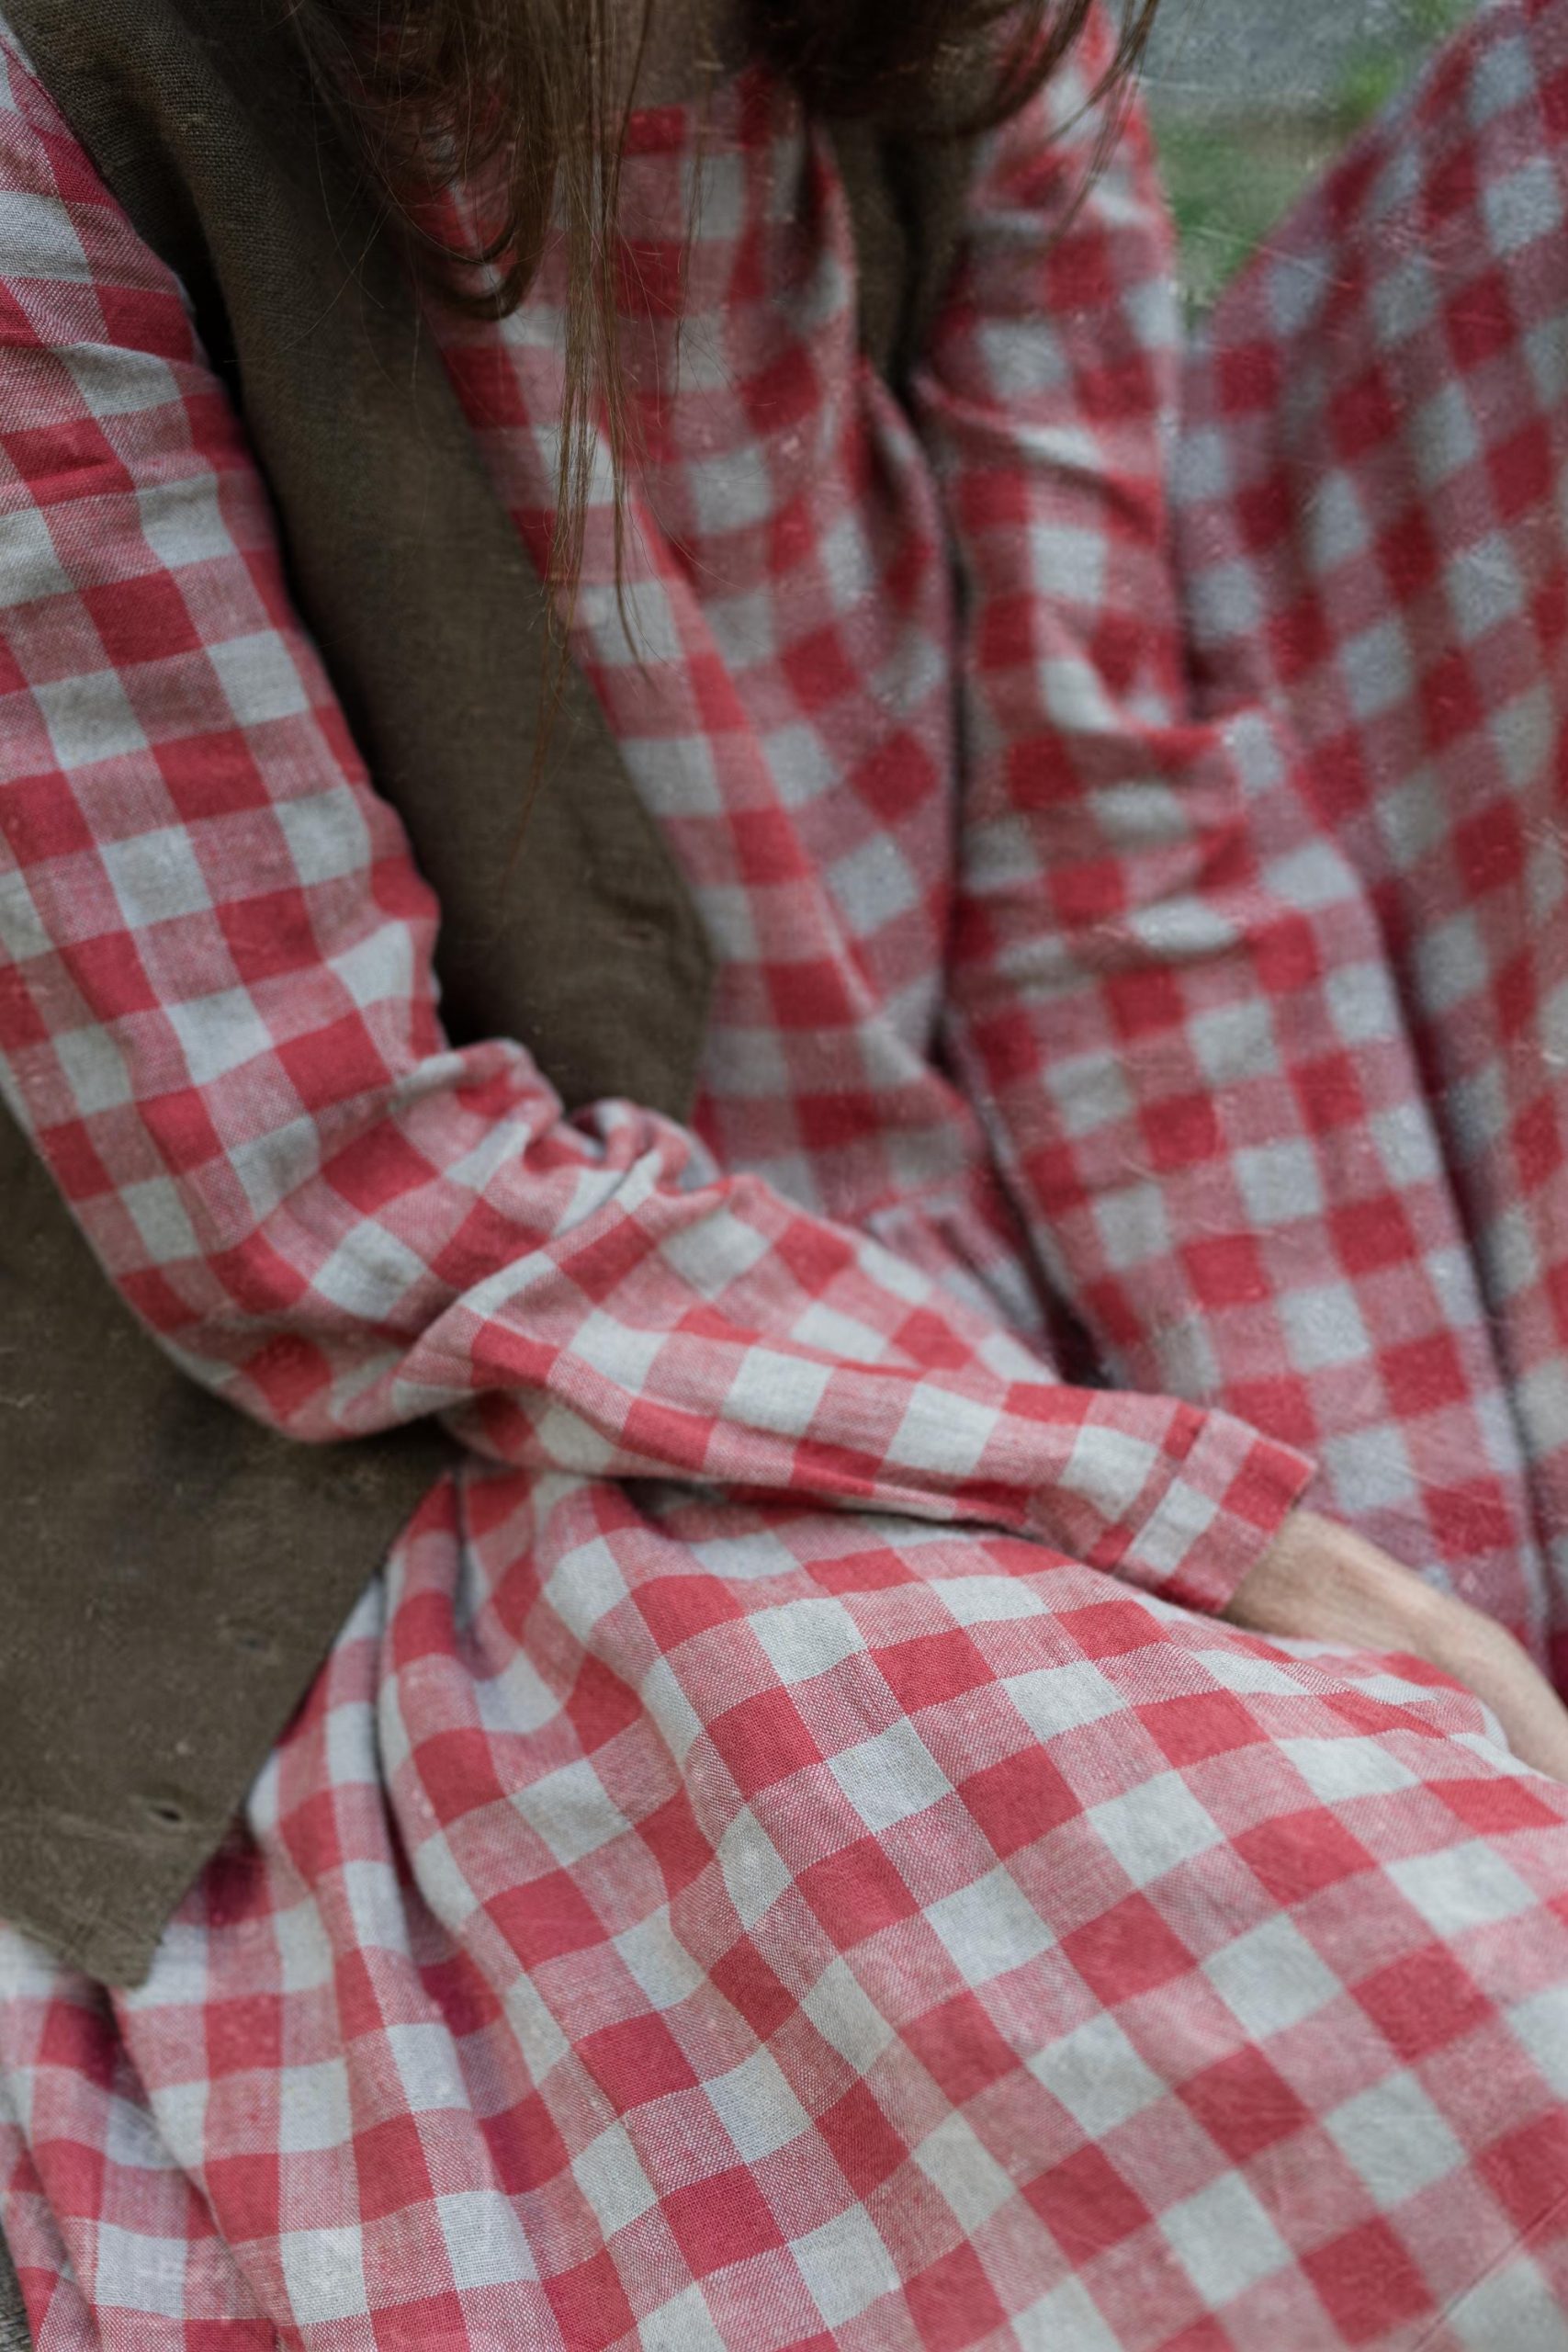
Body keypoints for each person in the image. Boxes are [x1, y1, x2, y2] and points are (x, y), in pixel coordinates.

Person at [2, 0, 1568, 2342]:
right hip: (478, 1406)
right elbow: (317, 1189)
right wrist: (1201, 1531)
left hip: (959, 1205)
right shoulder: (61, 101)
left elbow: (1109, 842)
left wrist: (1428, 1612)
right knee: (1464, 2066)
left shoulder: (956, 27)